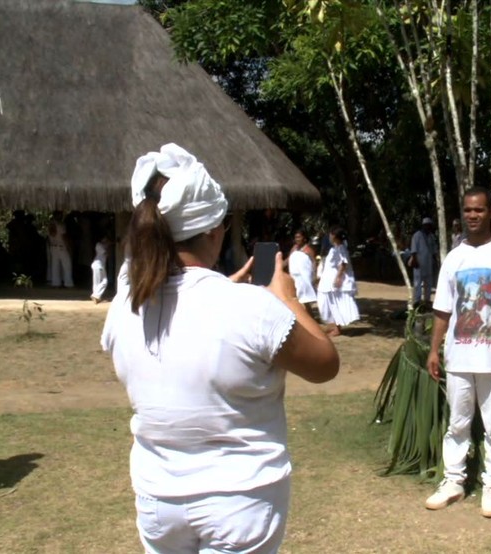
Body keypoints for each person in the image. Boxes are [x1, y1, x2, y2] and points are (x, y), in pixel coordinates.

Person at [101, 143, 339, 553]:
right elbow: (324, 364)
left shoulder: (125, 306)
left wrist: (229, 288)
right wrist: (287, 300)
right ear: (213, 229)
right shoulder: (253, 309)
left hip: (159, 498)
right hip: (240, 498)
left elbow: (186, 316)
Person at [424, 187, 491, 519]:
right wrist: (434, 350)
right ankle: (454, 481)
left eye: (479, 210)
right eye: (468, 210)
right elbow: (442, 309)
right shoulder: (454, 258)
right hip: (459, 357)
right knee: (457, 423)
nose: (473, 216)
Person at [317, 226, 360, 336]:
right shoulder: (334, 249)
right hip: (327, 279)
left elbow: (343, 263)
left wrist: (338, 277)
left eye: (331, 235)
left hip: (334, 281)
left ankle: (337, 328)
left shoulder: (341, 248)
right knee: (326, 302)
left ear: (335, 236)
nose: (329, 237)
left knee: (334, 303)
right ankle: (332, 325)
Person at [411, 217, 438, 307]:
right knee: (418, 282)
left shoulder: (431, 236)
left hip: (428, 263)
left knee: (428, 282)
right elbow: (414, 250)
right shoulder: (417, 235)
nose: (428, 228)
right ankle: (417, 301)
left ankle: (427, 300)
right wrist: (414, 260)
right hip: (419, 262)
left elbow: (434, 251)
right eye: (427, 226)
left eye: (430, 226)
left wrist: (435, 261)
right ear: (423, 226)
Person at [47, 210, 74, 288]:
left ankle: (56, 283)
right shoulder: (60, 225)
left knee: (55, 266)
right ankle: (68, 283)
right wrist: (69, 247)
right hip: (61, 246)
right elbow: (64, 237)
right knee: (67, 265)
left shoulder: (49, 224)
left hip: (53, 246)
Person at [287, 241, 317, 306]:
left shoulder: (308, 249)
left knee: (305, 300)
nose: (297, 239)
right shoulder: (294, 248)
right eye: (296, 237)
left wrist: (314, 274)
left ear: (304, 238)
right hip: (295, 276)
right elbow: (289, 259)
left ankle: (308, 315)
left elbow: (313, 261)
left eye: (299, 237)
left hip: (304, 277)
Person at [90, 235, 110, 304]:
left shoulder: (102, 245)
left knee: (97, 282)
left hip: (100, 265)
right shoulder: (98, 245)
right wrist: (107, 246)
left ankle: (96, 297)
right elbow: (105, 252)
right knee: (104, 281)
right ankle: (96, 295)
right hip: (98, 265)